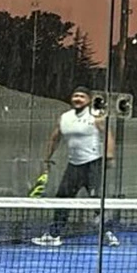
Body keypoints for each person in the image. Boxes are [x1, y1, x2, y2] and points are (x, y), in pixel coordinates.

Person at [32, 87, 120, 247]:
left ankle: (109, 233)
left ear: (88, 100)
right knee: (62, 199)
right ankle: (54, 235)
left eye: (82, 96)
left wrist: (109, 156)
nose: (78, 99)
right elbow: (54, 138)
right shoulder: (64, 118)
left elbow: (108, 135)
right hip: (74, 166)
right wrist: (46, 159)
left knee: (96, 200)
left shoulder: (96, 116)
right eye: (75, 96)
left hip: (93, 164)